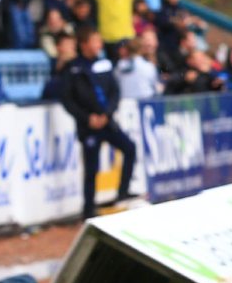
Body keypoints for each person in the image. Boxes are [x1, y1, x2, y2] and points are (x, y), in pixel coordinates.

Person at [60, 26, 137, 219]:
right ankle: (88, 210)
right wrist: (87, 118)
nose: (99, 45)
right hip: (89, 127)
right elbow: (68, 100)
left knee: (129, 148)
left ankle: (122, 193)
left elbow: (115, 92)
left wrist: (107, 114)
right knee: (91, 168)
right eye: (95, 41)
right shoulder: (73, 68)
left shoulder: (104, 64)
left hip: (107, 123)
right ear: (84, 44)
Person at [116, 31, 163, 101]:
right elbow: (156, 87)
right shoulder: (148, 66)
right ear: (141, 49)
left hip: (125, 104)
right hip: (145, 103)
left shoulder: (119, 65)